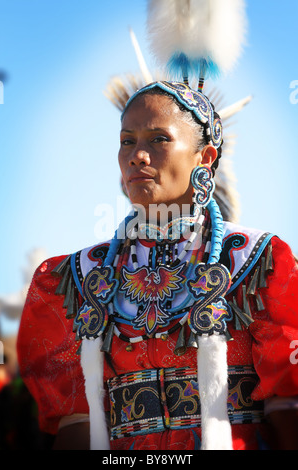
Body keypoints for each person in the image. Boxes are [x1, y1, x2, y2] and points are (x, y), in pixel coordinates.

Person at [17, 79, 298, 451]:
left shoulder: (256, 260)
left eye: (158, 139)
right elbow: (76, 424)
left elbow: (288, 409)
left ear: (205, 158)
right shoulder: (71, 279)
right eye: (127, 141)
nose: (137, 155)